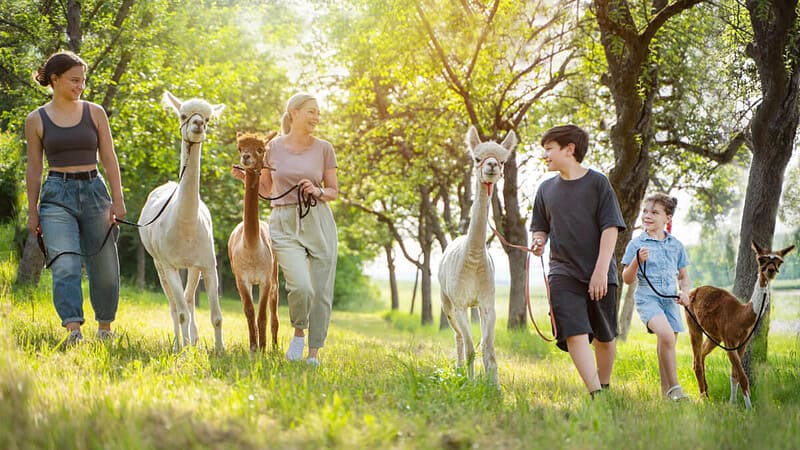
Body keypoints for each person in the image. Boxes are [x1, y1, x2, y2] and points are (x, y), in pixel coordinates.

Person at [24, 51, 127, 346]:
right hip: (56, 195)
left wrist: (118, 199)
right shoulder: (36, 119)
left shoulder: (95, 112)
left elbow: (109, 157)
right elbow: (34, 168)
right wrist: (33, 210)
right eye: (74, 80)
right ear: (54, 79)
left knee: (104, 265)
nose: (80, 86)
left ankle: (105, 328)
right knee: (65, 263)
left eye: (83, 80)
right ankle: (74, 332)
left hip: (94, 190)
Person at [232, 93, 338, 366]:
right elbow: (266, 189)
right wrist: (247, 178)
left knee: (321, 291)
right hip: (283, 221)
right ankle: (299, 333)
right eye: (311, 111)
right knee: (300, 285)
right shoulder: (273, 148)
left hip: (318, 219)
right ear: (294, 112)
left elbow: (333, 191)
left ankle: (313, 353)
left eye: (318, 113)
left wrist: (318, 191)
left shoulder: (324, 149)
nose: (316, 117)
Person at [529, 124, 626, 398]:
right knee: (574, 331)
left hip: (600, 271)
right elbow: (540, 227)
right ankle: (596, 394)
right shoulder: (545, 189)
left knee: (605, 337)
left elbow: (611, 228)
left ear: (569, 149)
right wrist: (538, 241)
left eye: (549, 149)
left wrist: (600, 272)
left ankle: (604, 387)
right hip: (562, 272)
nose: (545, 155)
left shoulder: (598, 183)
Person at [621, 194, 691, 401]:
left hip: (670, 301)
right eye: (645, 211)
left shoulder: (676, 245)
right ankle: (676, 388)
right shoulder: (636, 244)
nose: (647, 216)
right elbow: (627, 279)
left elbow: (684, 276)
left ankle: (665, 396)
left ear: (667, 218)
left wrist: (685, 293)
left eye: (654, 212)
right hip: (648, 299)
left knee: (667, 344)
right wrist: (637, 261)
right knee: (667, 336)